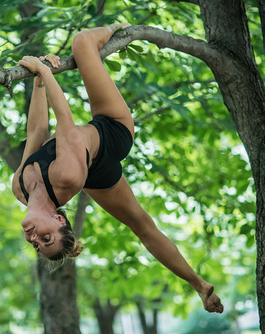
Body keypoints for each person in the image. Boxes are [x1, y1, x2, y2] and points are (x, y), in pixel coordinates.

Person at [11, 23, 224, 313]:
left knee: (140, 225)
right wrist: (46, 72)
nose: (34, 239)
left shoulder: (20, 187)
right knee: (83, 42)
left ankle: (199, 285)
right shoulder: (68, 176)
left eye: (37, 244)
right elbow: (64, 122)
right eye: (46, 239)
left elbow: (37, 129)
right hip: (111, 133)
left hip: (90, 165)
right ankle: (119, 24)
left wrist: (37, 76)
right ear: (59, 220)